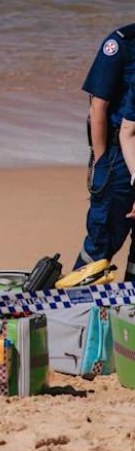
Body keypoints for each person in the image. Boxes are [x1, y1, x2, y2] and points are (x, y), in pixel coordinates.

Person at [77, 24, 135, 282]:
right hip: (117, 158)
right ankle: (72, 310)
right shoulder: (120, 44)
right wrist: (101, 162)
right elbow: (98, 107)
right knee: (102, 241)